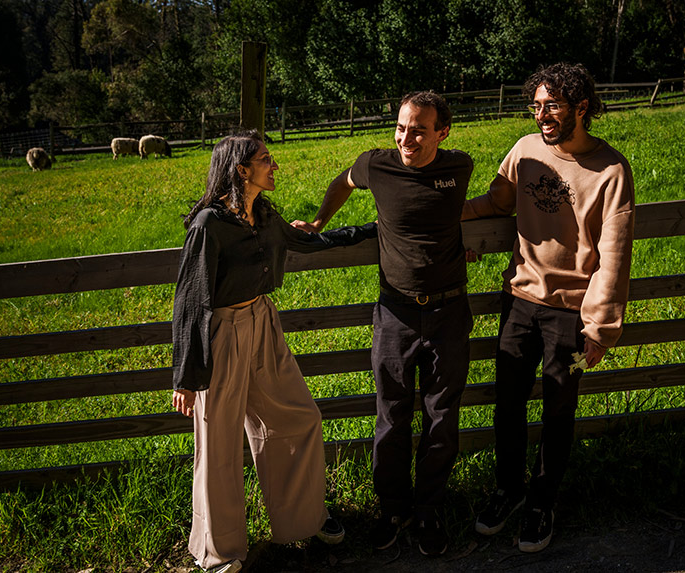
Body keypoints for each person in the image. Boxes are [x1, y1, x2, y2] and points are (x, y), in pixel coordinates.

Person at [171, 130, 377, 573]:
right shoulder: (209, 225)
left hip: (263, 322)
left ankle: (303, 520)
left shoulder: (262, 214)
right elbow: (189, 300)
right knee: (219, 441)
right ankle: (219, 551)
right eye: (266, 159)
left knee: (298, 417)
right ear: (241, 169)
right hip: (221, 333)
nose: (275, 166)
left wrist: (372, 231)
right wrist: (187, 378)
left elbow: (307, 241)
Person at [292, 91, 475, 556]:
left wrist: (471, 239)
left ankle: (429, 511)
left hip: (449, 312)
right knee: (391, 417)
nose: (406, 137)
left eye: (417, 129)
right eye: (400, 127)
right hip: (394, 313)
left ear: (442, 132)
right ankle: (392, 510)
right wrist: (318, 221)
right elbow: (343, 182)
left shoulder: (459, 168)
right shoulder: (376, 165)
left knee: (441, 418)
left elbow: (476, 207)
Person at [464, 62, 635, 553]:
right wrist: (452, 219)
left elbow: (614, 255)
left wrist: (599, 329)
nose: (541, 114)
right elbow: (497, 201)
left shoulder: (611, 170)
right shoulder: (524, 150)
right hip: (519, 300)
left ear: (581, 107)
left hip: (571, 313)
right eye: (537, 105)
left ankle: (543, 501)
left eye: (552, 105)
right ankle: (508, 490)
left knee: (559, 409)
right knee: (507, 404)